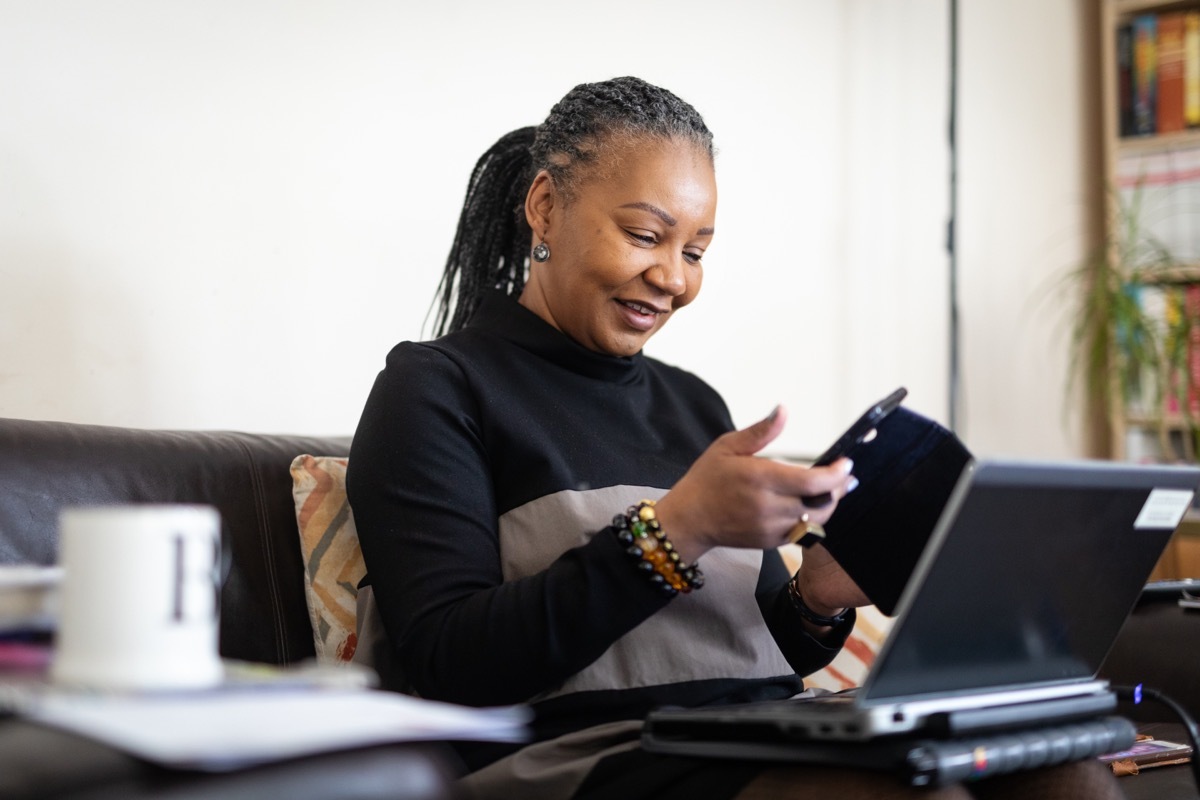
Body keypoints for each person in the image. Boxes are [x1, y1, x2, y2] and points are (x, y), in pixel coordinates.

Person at [346, 77, 1127, 800]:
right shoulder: (437, 388)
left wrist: (818, 599)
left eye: (694, 251)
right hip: (588, 756)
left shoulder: (693, 405)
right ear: (545, 207)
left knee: (1061, 762)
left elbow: (749, 649)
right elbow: (452, 663)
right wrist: (677, 529)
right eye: (646, 235)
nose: (674, 279)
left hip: (753, 730)